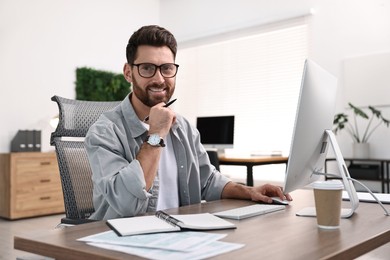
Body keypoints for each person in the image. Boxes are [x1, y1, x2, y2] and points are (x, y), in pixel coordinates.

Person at [85, 25, 292, 220]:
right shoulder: (104, 132)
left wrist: (249, 191)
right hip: (121, 243)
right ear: (128, 72)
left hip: (181, 236)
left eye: (166, 68)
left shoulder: (182, 127)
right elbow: (126, 202)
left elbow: (208, 181)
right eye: (147, 68)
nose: (159, 79)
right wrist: (155, 135)